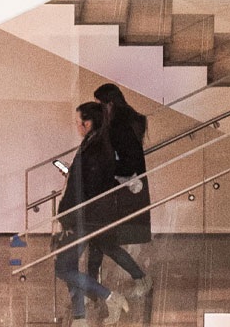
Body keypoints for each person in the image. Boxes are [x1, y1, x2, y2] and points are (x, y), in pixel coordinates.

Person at [55, 102, 132, 326]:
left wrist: (66, 217)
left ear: (88, 123)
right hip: (89, 216)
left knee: (63, 267)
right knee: (68, 265)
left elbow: (84, 189)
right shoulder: (97, 144)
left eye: (78, 122)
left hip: (83, 217)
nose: (77, 126)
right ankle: (80, 318)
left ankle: (110, 297)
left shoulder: (94, 149)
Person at [86, 84, 152, 297]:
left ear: (110, 104)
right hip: (115, 190)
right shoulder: (123, 123)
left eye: (100, 104)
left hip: (115, 191)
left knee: (102, 240)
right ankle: (92, 288)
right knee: (98, 239)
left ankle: (138, 277)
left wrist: (102, 167)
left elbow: (128, 162)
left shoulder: (119, 127)